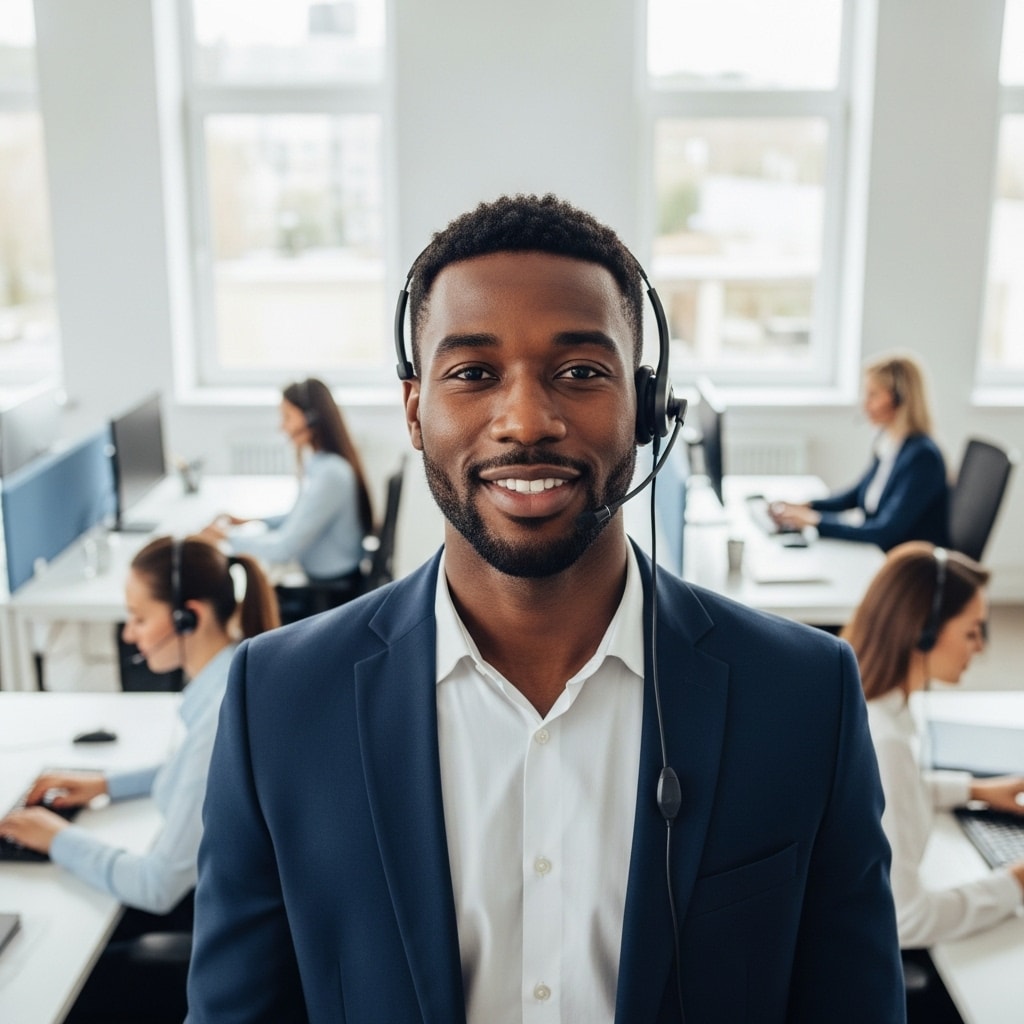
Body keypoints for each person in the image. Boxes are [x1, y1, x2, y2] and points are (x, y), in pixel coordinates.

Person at [186, 194, 905, 1022]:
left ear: (645, 406)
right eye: (473, 373)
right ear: (415, 409)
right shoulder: (277, 700)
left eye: (580, 372)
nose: (527, 420)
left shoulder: (804, 695)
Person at [0, 535, 280, 1022]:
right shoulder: (231, 675)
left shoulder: (218, 715)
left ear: (185, 617)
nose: (129, 634)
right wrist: (106, 785)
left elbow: (157, 885)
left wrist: (59, 838)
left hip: (195, 931)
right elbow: (197, 773)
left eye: (138, 618)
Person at [842, 541, 1024, 1019]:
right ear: (921, 632)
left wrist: (976, 790)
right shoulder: (889, 742)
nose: (981, 648)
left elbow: (887, 795)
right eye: (971, 633)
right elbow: (907, 917)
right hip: (882, 972)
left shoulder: (876, 703)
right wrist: (1016, 881)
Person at [203, 377, 374, 585]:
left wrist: (226, 538)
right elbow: (300, 515)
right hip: (325, 577)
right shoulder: (321, 463)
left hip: (330, 589)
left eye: (287, 417)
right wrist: (252, 520)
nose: (282, 427)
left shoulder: (331, 474)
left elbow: (283, 549)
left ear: (311, 419)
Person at [769, 353, 949, 550]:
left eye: (873, 395)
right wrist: (806, 507)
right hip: (881, 553)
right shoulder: (889, 442)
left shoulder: (922, 457)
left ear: (899, 399)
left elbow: (885, 531)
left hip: (909, 565)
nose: (865, 404)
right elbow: (856, 496)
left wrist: (816, 521)